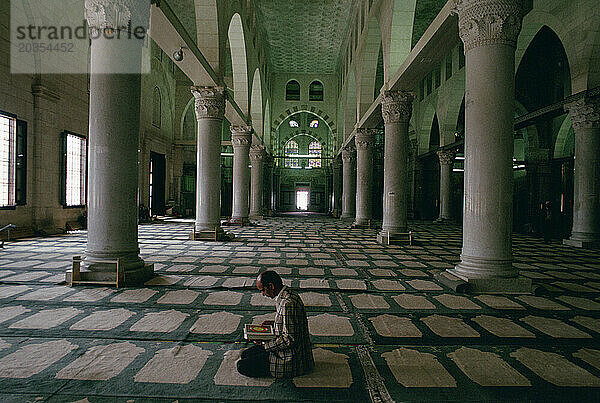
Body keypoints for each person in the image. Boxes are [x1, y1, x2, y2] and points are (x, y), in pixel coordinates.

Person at [237, 270, 314, 378]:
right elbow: (291, 323)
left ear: (271, 286)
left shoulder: (288, 304)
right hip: (288, 350)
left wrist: (264, 345)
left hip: (289, 358)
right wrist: (273, 324)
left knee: (241, 366)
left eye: (263, 290)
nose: (263, 294)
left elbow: (289, 340)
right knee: (245, 354)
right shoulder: (287, 293)